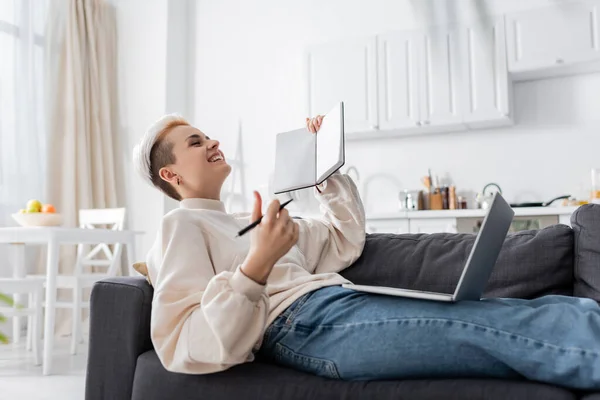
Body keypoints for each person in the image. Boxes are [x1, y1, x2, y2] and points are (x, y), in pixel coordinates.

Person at [132, 114, 600, 390]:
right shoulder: (180, 226)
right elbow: (181, 344)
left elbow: (344, 238)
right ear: (171, 175)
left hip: (337, 303)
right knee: (479, 328)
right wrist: (257, 265)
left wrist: (324, 172)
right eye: (196, 142)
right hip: (302, 326)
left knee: (521, 311)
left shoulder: (248, 220)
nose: (212, 142)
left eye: (206, 135)